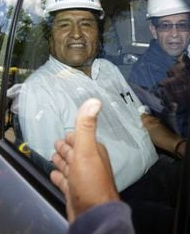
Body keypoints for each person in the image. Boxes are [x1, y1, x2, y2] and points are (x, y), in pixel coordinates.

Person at [17, 0, 185, 233]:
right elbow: (52, 183)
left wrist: (180, 146)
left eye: (86, 23)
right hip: (117, 201)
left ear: (98, 32)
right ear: (50, 35)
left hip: (158, 171)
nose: (76, 34)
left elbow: (145, 120)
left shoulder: (107, 69)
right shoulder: (39, 90)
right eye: (64, 24)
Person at [50, 98, 135, 234]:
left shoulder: (111, 76)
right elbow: (50, 159)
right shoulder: (39, 88)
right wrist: (101, 212)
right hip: (128, 197)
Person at [128, 0, 190, 137]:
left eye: (182, 25)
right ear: (154, 31)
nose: (174, 33)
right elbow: (175, 130)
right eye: (165, 25)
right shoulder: (145, 73)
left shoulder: (188, 57)